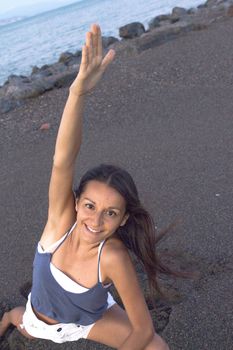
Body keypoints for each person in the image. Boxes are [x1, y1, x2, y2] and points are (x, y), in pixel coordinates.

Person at [0, 24, 174, 349]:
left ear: (123, 219)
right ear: (77, 203)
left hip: (86, 321)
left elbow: (144, 331)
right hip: (40, 322)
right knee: (18, 320)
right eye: (91, 206)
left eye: (111, 213)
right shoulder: (59, 224)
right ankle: (9, 317)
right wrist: (77, 93)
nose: (95, 221)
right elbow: (63, 160)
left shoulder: (113, 257)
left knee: (157, 347)